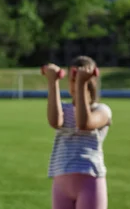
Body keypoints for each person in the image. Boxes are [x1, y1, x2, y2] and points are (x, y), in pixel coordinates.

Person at [43, 56, 112, 209]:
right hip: (61, 181)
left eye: (78, 80)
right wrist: (52, 82)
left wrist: (81, 83)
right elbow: (55, 122)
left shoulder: (102, 110)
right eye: (72, 80)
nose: (75, 84)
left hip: (90, 181)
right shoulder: (64, 109)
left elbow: (84, 123)